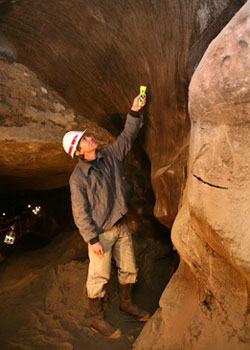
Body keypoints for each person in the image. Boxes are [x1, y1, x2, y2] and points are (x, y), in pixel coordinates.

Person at [62, 93, 150, 338]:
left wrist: (134, 111)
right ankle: (96, 319)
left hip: (121, 226)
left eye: (87, 136)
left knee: (129, 268)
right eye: (84, 139)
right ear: (79, 152)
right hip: (101, 234)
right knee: (99, 276)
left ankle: (126, 303)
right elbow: (80, 213)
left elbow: (127, 137)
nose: (90, 138)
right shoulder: (78, 178)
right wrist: (92, 240)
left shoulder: (109, 156)